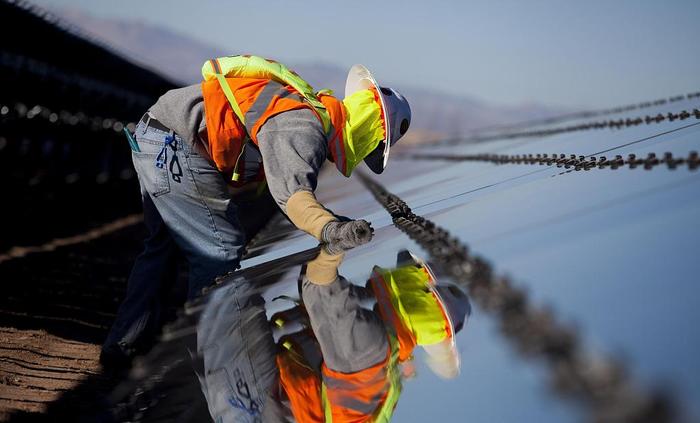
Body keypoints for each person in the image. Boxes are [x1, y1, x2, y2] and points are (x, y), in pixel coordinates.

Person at [100, 55, 412, 369]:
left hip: (156, 133)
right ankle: (214, 358)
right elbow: (292, 196)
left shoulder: (307, 112)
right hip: (175, 140)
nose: (364, 155)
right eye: (373, 145)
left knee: (163, 248)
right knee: (220, 251)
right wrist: (331, 229)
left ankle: (124, 346)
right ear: (368, 127)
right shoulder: (305, 125)